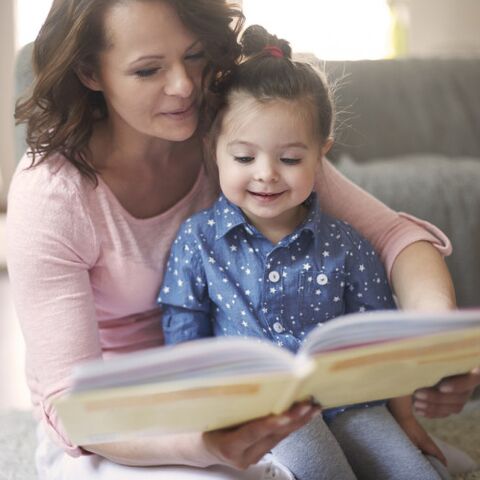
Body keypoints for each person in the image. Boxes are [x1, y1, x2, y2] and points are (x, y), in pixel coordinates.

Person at [6, 0, 479, 479]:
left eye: (194, 56)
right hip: (122, 427)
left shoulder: (237, 137)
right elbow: (73, 405)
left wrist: (436, 347)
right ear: (91, 72)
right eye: (148, 70)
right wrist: (203, 444)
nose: (184, 86)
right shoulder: (52, 196)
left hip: (255, 399)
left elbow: (396, 238)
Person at [156, 25, 451, 480]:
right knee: (325, 470)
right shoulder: (198, 241)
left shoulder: (348, 245)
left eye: (290, 159)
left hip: (350, 402)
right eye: (244, 158)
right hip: (263, 409)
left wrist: (405, 417)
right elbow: (184, 340)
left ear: (321, 154)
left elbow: (383, 343)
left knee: (415, 472)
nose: (267, 175)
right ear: (213, 150)